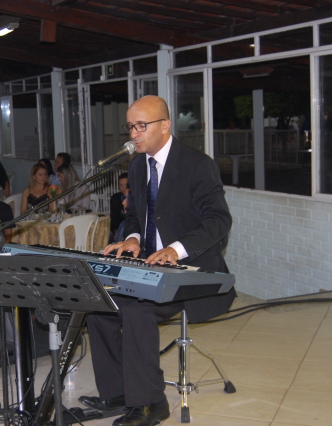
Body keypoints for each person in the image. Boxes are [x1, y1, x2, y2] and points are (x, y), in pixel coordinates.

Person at [80, 96, 235, 426]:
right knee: (100, 304)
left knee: (137, 309)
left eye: (141, 126)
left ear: (165, 125)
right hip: (150, 266)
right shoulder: (138, 166)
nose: (133, 134)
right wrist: (133, 238)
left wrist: (176, 249)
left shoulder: (197, 165)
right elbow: (136, 215)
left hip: (191, 270)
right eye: (130, 127)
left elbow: (219, 220)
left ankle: (151, 403)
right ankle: (118, 393)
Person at [109, 172, 129, 243]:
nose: (123, 188)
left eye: (125, 185)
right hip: (118, 228)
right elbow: (113, 218)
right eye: (121, 185)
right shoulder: (115, 198)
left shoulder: (134, 197)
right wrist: (115, 231)